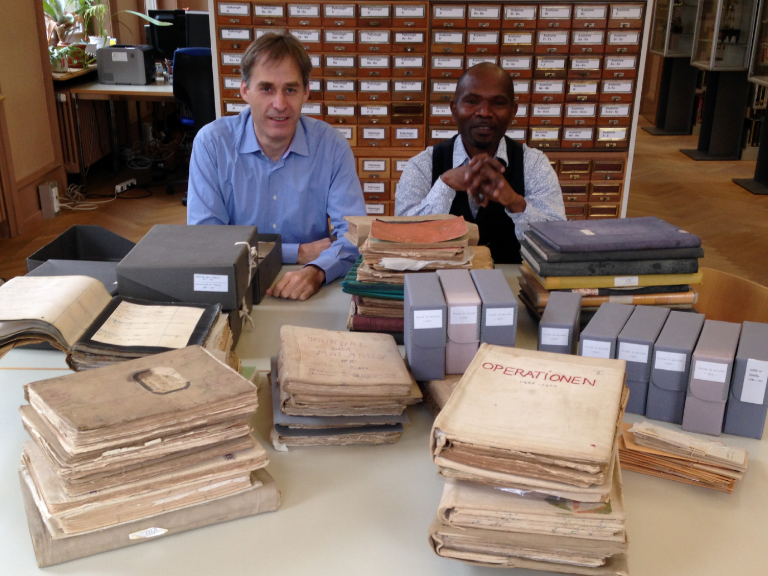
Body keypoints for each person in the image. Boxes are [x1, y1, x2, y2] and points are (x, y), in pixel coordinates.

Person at [187, 32, 366, 301]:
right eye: (267, 88)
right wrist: (297, 252)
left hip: (312, 286)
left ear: (306, 91)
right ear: (245, 91)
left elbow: (354, 237)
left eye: (290, 89)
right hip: (237, 286)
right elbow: (208, 243)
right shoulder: (213, 144)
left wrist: (316, 269)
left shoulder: (331, 147)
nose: (280, 104)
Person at [395, 62, 566, 264]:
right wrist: (445, 185)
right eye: (472, 101)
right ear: (454, 109)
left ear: (513, 111)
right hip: (437, 285)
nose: (484, 112)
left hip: (515, 290)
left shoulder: (534, 164)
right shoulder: (422, 165)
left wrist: (515, 202)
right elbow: (402, 240)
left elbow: (558, 243)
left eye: (498, 103)